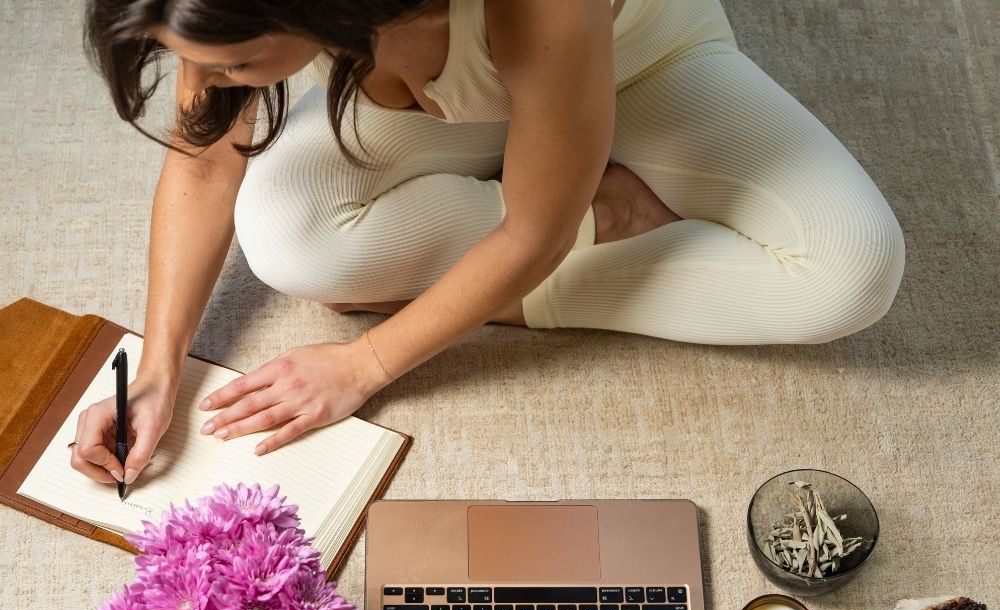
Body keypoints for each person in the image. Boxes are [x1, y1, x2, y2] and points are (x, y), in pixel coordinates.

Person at [72, 0, 904, 487]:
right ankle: (595, 204)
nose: (209, 83)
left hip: (635, 63)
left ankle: (579, 199)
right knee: (287, 242)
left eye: (237, 65)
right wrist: (156, 372)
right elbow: (208, 162)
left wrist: (366, 361)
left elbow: (533, 236)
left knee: (853, 273)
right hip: (439, 101)